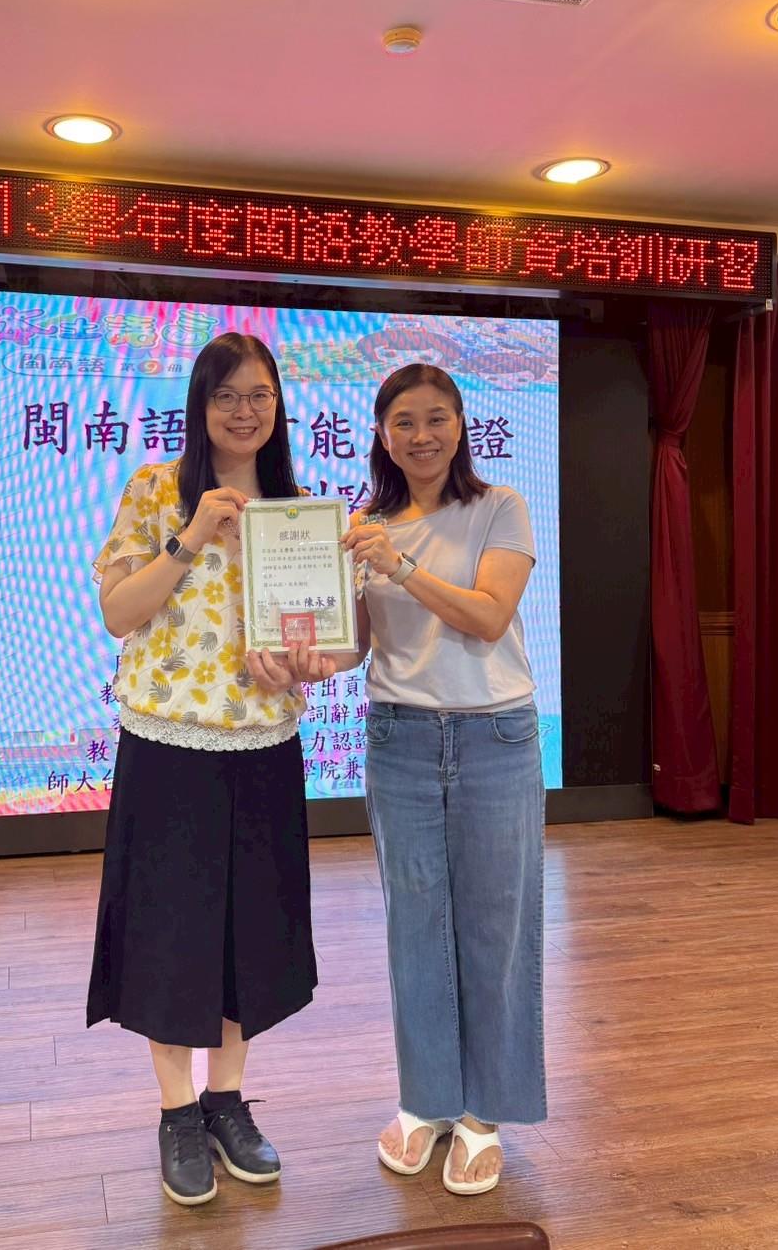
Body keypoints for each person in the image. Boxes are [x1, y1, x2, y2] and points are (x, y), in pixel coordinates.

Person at [287, 361, 546, 1196]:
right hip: (397, 736)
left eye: (436, 418)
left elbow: (489, 615)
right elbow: (359, 644)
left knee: (496, 926)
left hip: (494, 734)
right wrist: (306, 658)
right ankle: (428, 1099)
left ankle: (485, 1112)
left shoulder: (499, 507)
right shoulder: (367, 526)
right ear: (381, 433)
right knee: (415, 927)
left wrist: (398, 566)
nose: (421, 434)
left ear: (461, 424)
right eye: (403, 421)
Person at [88, 330, 317, 1207]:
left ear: (278, 406)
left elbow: (319, 638)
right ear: (200, 404)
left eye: (259, 395)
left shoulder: (294, 508)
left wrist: (304, 662)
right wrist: (189, 537)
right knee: (169, 931)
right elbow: (118, 612)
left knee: (248, 931)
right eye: (226, 395)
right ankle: (177, 1111)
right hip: (168, 743)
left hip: (264, 742)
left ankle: (227, 1100)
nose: (244, 411)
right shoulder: (156, 489)